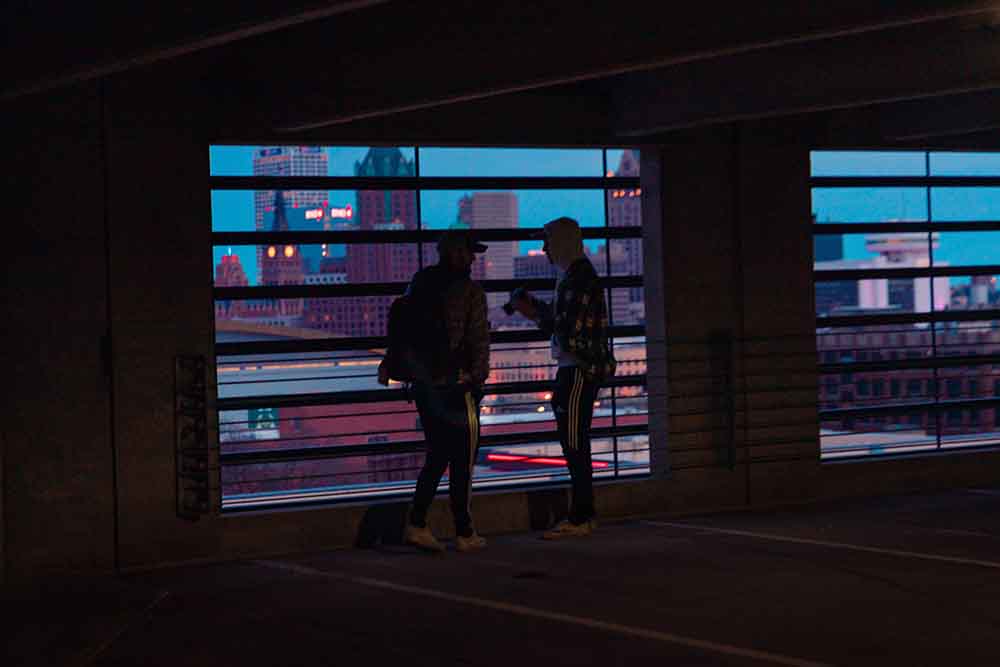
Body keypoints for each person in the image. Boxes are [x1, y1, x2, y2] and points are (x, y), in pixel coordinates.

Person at [378, 229, 491, 552]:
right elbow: (478, 340)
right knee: (464, 458)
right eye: (469, 252)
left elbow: (403, 332)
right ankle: (464, 531)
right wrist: (477, 376)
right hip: (458, 386)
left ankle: (417, 522)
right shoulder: (470, 292)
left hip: (425, 387)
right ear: (456, 253)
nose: (472, 258)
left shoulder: (420, 283)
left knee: (438, 454)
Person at [507, 217, 616, 538]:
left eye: (548, 242)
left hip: (577, 369)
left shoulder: (576, 278)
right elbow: (566, 321)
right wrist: (538, 311)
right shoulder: (576, 276)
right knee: (575, 441)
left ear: (562, 242)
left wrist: (533, 312)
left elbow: (567, 331)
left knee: (574, 442)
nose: (544, 249)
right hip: (579, 368)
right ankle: (584, 513)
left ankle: (580, 517)